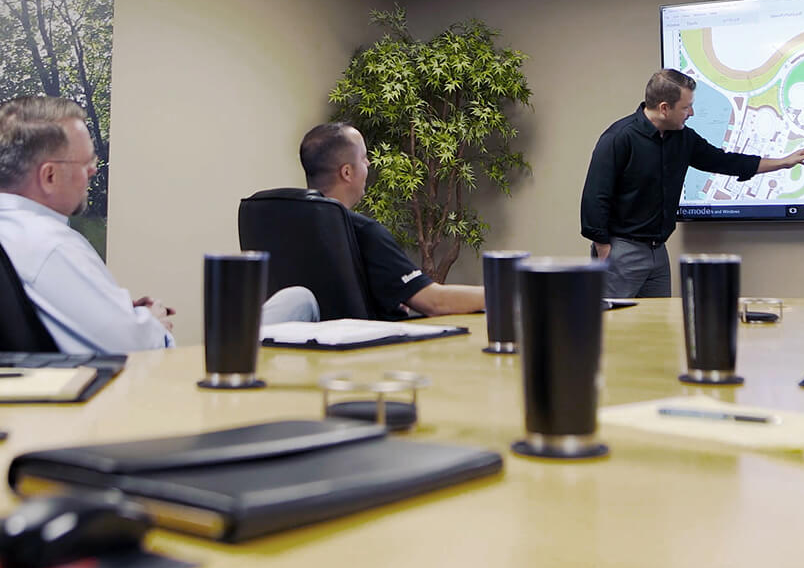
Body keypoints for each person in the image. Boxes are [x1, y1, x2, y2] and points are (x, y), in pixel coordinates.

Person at [0, 95, 317, 354]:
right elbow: (136, 346)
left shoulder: (16, 233)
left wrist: (123, 310)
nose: (93, 172)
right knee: (299, 301)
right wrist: (150, 320)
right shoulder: (50, 244)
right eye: (86, 163)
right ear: (49, 176)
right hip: (152, 387)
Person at [580, 69, 804, 298]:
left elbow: (725, 162)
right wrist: (603, 248)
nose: (691, 113)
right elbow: (595, 195)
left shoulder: (682, 138)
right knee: (611, 326)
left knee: (655, 326)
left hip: (658, 251)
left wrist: (783, 162)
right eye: (686, 107)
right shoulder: (619, 138)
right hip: (621, 250)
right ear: (664, 108)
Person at [299, 123, 485, 317]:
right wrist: (504, 290)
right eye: (364, 158)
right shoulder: (363, 232)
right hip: (363, 345)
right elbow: (434, 302)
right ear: (347, 172)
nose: (369, 164)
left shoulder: (278, 227)